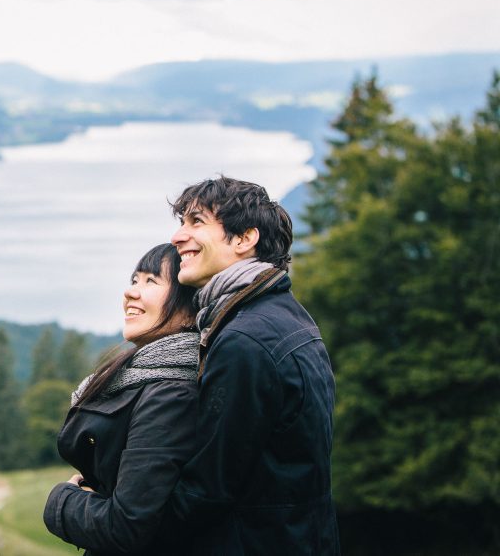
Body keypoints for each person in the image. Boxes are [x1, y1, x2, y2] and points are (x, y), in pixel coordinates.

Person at [166, 176, 339, 554]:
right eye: (181, 223)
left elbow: (207, 490)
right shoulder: (287, 316)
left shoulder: (244, 341)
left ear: (245, 239)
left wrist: (108, 516)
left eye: (196, 222)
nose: (178, 237)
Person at [43, 243, 200, 555]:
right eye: (134, 280)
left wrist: (61, 501)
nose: (131, 293)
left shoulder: (171, 395)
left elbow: (127, 526)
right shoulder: (140, 374)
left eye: (151, 281)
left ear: (188, 310)